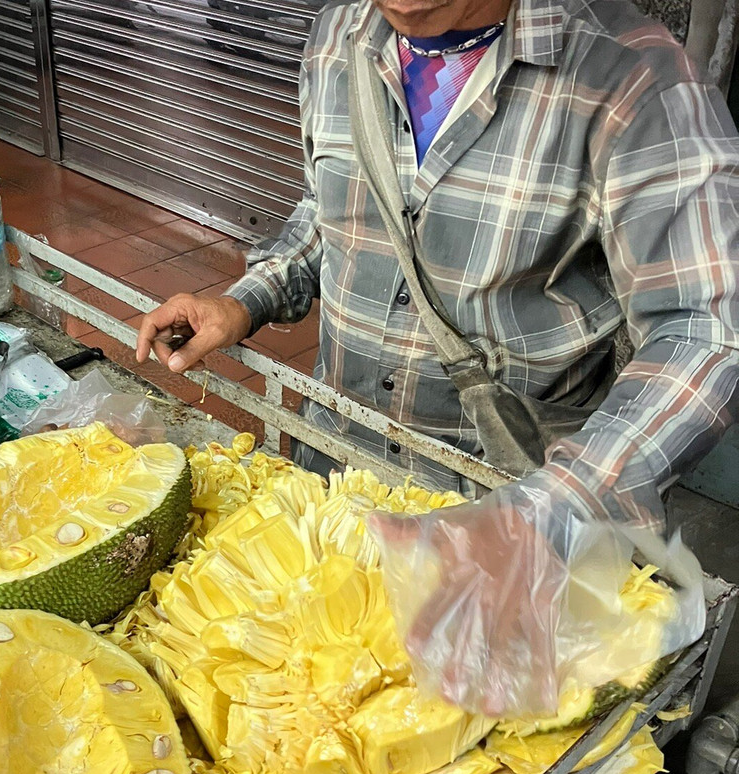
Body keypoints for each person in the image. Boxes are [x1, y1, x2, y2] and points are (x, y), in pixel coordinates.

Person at [136, 0, 739, 714]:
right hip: (339, 481)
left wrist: (553, 509)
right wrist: (247, 300)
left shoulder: (639, 81)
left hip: (512, 522)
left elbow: (707, 332)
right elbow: (332, 210)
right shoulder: (340, 33)